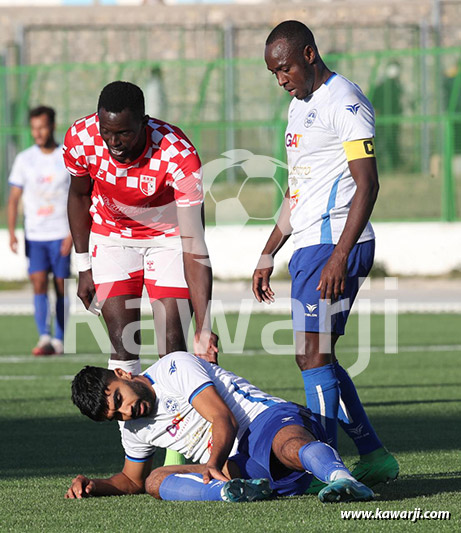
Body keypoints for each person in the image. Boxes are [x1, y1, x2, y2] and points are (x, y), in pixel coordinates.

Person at [252, 21, 399, 493]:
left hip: (335, 242)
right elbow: (299, 192)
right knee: (320, 356)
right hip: (308, 244)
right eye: (274, 73)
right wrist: (267, 251)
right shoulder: (299, 109)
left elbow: (368, 184)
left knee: (309, 353)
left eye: (285, 68)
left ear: (309, 54)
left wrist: (339, 256)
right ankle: (373, 455)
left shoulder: (345, 101)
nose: (281, 80)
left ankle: (327, 469)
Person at [66, 351, 375, 503]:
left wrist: (211, 464)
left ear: (122, 373)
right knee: (154, 480)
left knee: (287, 446)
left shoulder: (173, 367)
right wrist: (94, 485)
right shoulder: (133, 429)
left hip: (263, 421)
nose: (127, 411)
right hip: (233, 465)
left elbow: (222, 418)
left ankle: (343, 479)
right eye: (117, 414)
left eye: (120, 397)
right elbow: (131, 480)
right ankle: (229, 492)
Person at [64, 80, 218, 375]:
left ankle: (179, 420)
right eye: (106, 131)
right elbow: (79, 195)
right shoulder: (81, 138)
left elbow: (193, 242)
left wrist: (205, 326)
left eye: (124, 133)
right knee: (123, 345)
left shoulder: (178, 154)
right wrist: (83, 267)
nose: (113, 141)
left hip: (169, 239)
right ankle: (128, 422)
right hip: (112, 237)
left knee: (172, 346)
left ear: (144, 123)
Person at [8, 106, 72, 356]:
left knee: (60, 285)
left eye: (42, 127)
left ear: (53, 126)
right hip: (35, 234)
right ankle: (44, 336)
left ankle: (59, 340)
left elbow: (80, 195)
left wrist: (72, 233)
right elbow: (14, 197)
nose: (38, 133)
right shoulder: (25, 159)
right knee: (38, 283)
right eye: (34, 128)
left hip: (61, 233)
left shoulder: (66, 156)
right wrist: (12, 232)